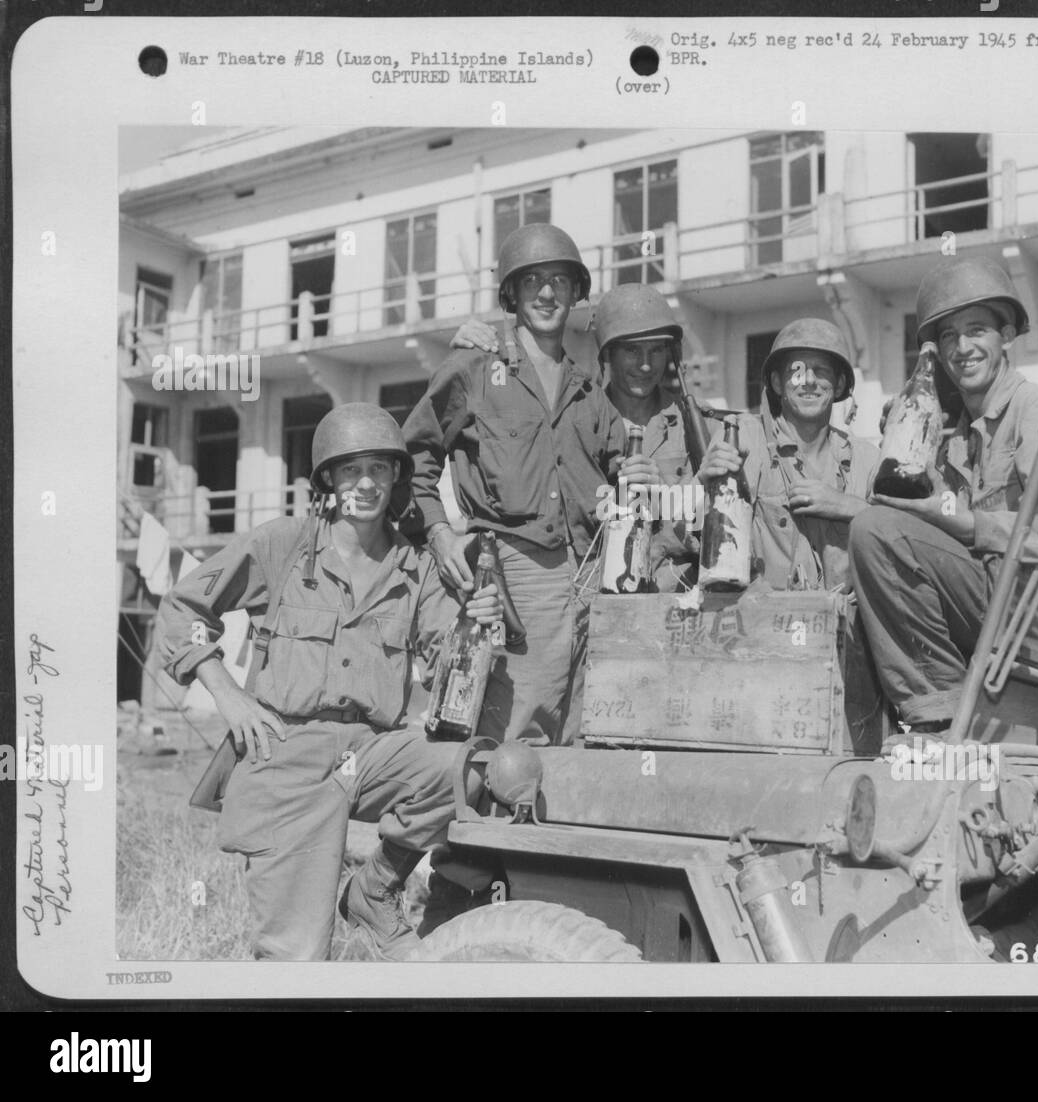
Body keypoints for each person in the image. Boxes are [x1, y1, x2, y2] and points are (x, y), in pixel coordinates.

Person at [157, 404, 501, 961]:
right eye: (350, 471)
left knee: (470, 766)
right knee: (297, 957)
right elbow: (183, 607)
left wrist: (476, 619)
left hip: (369, 753)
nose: (365, 484)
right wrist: (229, 696)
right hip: (288, 755)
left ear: (396, 479)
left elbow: (448, 654)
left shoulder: (414, 566)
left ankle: (375, 888)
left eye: (379, 470)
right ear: (328, 481)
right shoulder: (286, 545)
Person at [402, 223, 638, 748]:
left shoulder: (589, 390)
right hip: (514, 574)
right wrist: (439, 534)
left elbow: (620, 470)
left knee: (582, 726)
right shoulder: (474, 368)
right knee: (513, 730)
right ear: (512, 294)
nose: (548, 294)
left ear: (577, 292)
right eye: (533, 282)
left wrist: (629, 481)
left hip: (590, 571)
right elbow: (412, 459)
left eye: (560, 281)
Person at [847, 256, 1038, 730]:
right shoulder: (957, 433)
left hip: (1034, 609)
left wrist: (969, 524)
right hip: (991, 601)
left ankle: (944, 712)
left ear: (1006, 335)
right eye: (948, 337)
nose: (962, 347)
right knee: (876, 530)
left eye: (977, 331)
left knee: (877, 531)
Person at [451, 281, 710, 591]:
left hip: (677, 594)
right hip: (595, 593)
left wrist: (666, 495)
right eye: (631, 350)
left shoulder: (695, 425)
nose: (645, 364)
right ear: (608, 354)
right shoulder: (579, 417)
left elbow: (718, 527)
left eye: (656, 350)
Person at [698, 317, 882, 750]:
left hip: (847, 652)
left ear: (838, 384)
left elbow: (901, 537)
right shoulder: (741, 438)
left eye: (821, 371)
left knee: (846, 774)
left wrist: (847, 506)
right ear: (778, 382)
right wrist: (702, 484)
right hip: (761, 643)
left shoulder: (866, 460)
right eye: (797, 370)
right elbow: (693, 533)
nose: (809, 381)